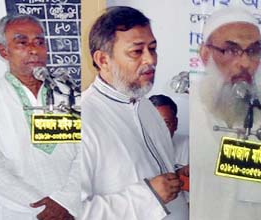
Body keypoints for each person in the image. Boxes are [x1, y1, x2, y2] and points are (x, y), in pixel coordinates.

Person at [79, 6, 188, 219]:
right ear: (103, 60)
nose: (151, 60)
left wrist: (176, 176)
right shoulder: (82, 120)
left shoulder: (145, 106)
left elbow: (140, 172)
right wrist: (148, 197)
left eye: (153, 48)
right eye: (137, 51)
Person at [190, 7, 261, 219]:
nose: (245, 63)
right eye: (231, 50)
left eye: (253, 51)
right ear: (205, 54)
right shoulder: (189, 108)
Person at [0, 14, 81, 220]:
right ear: (3, 51)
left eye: (39, 42)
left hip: (71, 210)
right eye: (22, 42)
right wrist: (42, 209)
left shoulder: (68, 92)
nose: (33, 50)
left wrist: (66, 202)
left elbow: (86, 150)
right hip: (16, 211)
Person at [149, 94, 189, 202]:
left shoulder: (191, 146)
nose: (160, 131)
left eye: (166, 123)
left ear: (175, 124)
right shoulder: (133, 150)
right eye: (154, 124)